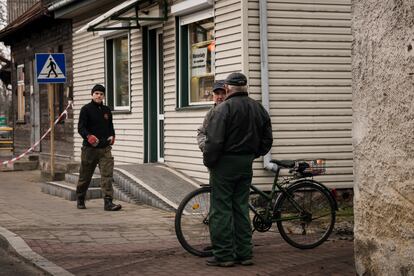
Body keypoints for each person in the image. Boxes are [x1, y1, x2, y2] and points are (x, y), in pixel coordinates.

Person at [203, 72, 273, 267]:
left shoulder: (223, 110)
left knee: (221, 209)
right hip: (245, 163)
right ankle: (245, 253)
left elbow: (214, 142)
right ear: (245, 87)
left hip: (225, 164)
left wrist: (210, 162)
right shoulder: (258, 108)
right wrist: (252, 154)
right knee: (241, 208)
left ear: (227, 88)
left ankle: (224, 255)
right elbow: (267, 140)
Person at [76, 84, 122, 211]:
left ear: (103, 96)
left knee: (107, 175)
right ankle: (80, 197)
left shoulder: (107, 110)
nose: (99, 96)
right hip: (89, 149)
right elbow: (81, 128)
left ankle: (108, 202)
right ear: (92, 95)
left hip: (105, 149)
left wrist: (112, 136)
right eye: (96, 93)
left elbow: (110, 126)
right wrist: (88, 136)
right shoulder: (85, 109)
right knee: (85, 176)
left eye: (101, 94)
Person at [197, 80, 226, 152]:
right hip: (214, 156)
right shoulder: (210, 113)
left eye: (223, 93)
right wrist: (205, 147)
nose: (220, 96)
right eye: (217, 93)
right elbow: (202, 131)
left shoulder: (233, 110)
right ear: (213, 96)